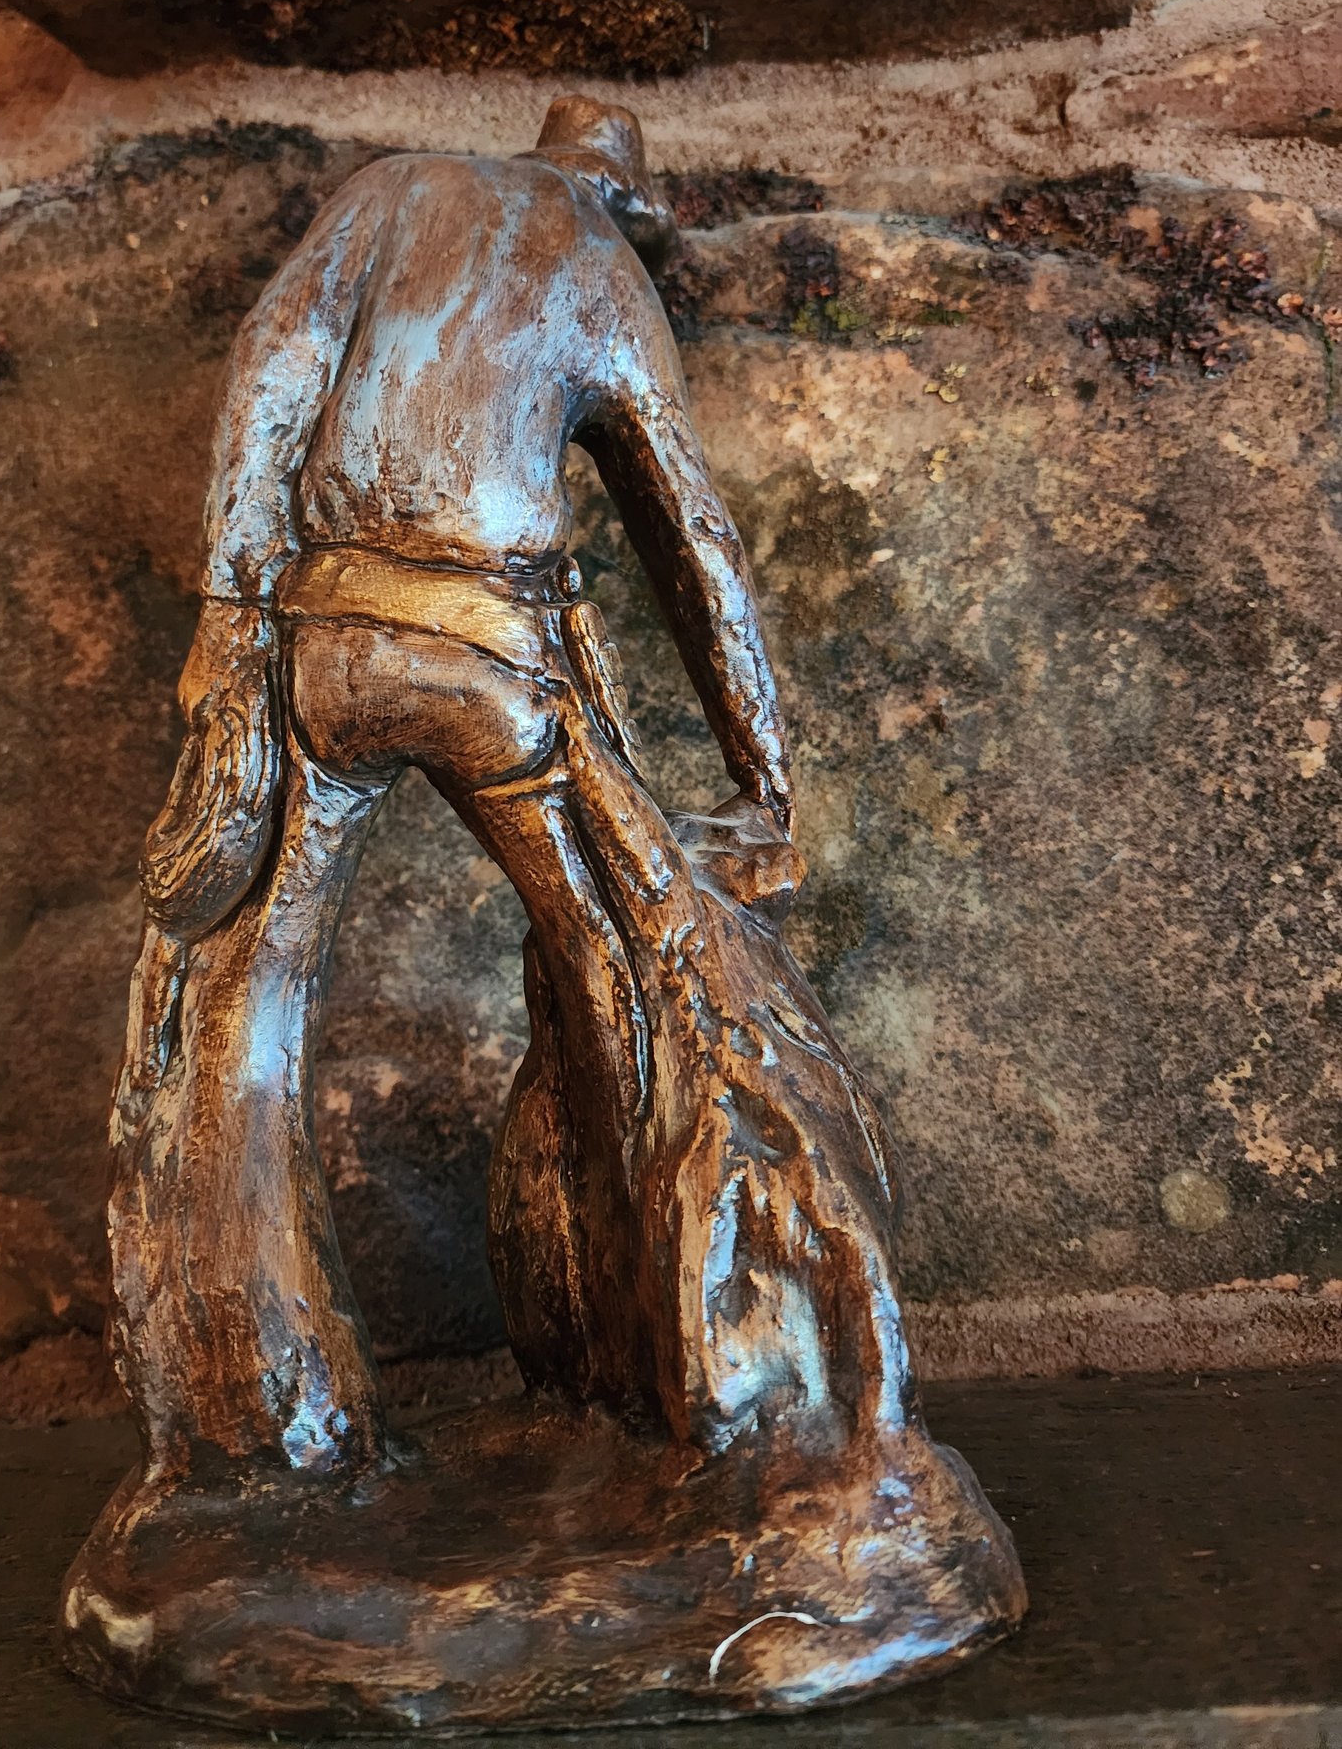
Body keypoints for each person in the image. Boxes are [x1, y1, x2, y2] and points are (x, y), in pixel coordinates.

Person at [108, 97, 907, 1489]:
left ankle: (258, 1416)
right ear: (626, 201)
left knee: (247, 1007)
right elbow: (694, 539)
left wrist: (235, 606)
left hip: (322, 647)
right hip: (494, 661)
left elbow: (275, 363)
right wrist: (762, 771)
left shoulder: (392, 191)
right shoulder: (603, 273)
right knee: (621, 983)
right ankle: (672, 1382)